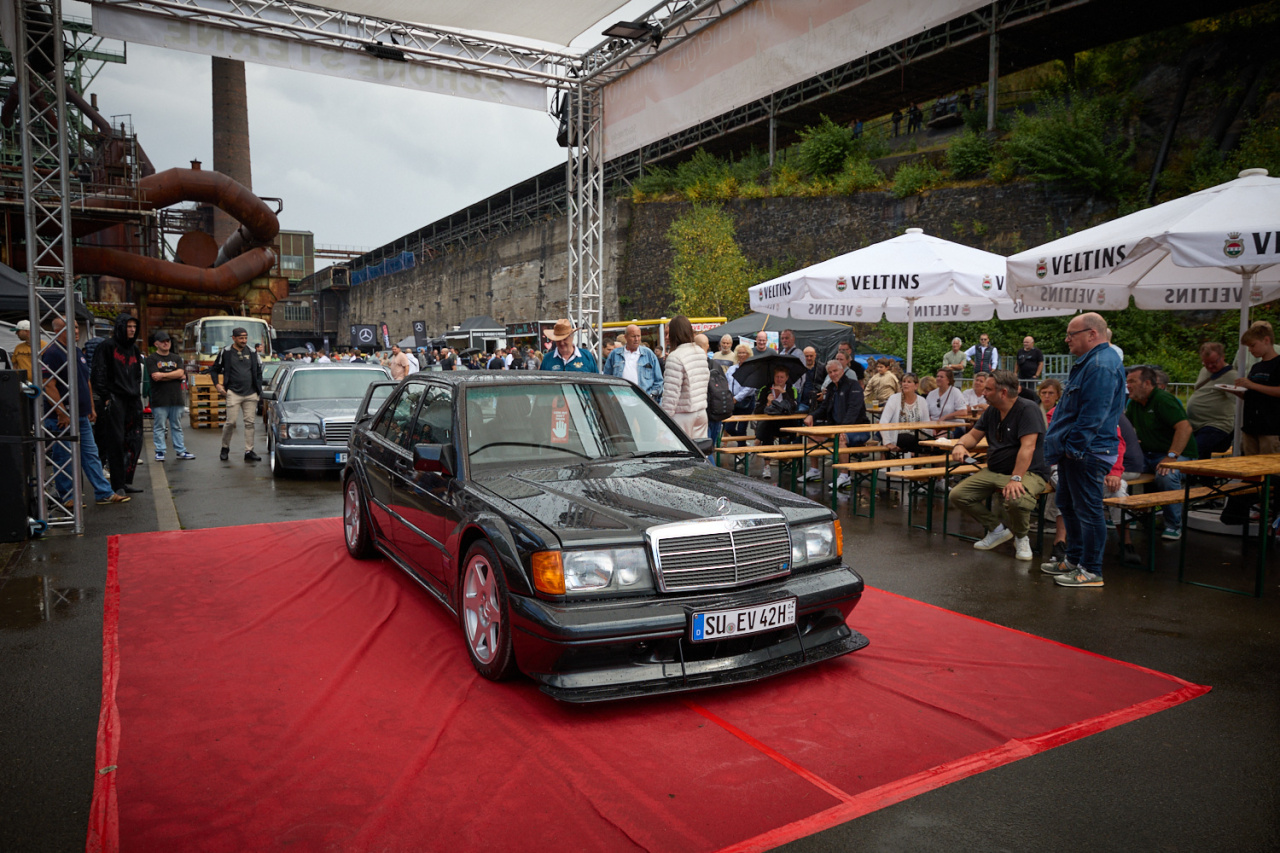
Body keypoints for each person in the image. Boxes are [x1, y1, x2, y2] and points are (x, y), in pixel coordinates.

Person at [1039, 313, 1126, 586]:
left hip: (1087, 452)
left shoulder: (1101, 365)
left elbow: (1093, 415)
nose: (1067, 339)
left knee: (1088, 511)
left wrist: (1073, 449)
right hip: (1078, 451)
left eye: (1071, 334)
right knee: (1068, 505)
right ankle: (1074, 560)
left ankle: (1091, 570)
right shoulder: (1092, 362)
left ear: (1092, 334)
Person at [948, 370, 1052, 562]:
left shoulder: (1027, 409)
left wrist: (1016, 478)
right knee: (958, 495)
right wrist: (960, 445)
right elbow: (973, 436)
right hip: (995, 470)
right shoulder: (992, 411)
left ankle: (1021, 537)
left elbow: (1028, 447)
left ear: (1003, 392)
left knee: (1017, 500)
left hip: (1029, 471)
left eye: (988, 389)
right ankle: (997, 530)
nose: (983, 393)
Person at [40, 317, 125, 506]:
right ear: (57, 331)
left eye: (77, 327)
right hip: (62, 417)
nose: (76, 331)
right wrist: (61, 412)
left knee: (91, 454)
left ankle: (103, 492)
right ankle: (67, 497)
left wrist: (91, 407)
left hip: (80, 414)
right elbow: (49, 385)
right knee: (64, 458)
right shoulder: (53, 353)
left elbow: (86, 381)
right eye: (71, 327)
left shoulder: (77, 351)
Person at [1126, 365, 1197, 540]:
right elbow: (1126, 430)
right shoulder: (1133, 403)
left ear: (1147, 383)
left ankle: (1173, 525)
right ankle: (1128, 517)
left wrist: (1172, 456)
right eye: (1127, 382)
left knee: (1166, 475)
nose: (1128, 385)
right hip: (1149, 454)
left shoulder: (1163, 400)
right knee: (1121, 469)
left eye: (1132, 381)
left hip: (1178, 454)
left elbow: (1185, 428)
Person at [90, 313, 145, 495]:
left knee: (134, 440)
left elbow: (137, 374)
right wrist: (106, 396)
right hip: (115, 399)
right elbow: (98, 373)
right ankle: (117, 484)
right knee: (115, 442)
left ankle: (125, 481)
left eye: (134, 327)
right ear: (121, 327)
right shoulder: (106, 346)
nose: (132, 330)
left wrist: (137, 395)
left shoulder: (134, 349)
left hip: (132, 399)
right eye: (129, 326)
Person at [804, 359, 869, 487]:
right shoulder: (831, 388)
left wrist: (842, 429)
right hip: (836, 429)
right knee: (812, 435)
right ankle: (814, 470)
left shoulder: (853, 385)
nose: (833, 374)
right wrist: (812, 415)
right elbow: (824, 408)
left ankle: (844, 476)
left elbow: (853, 410)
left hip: (858, 429)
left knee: (841, 439)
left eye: (835, 371)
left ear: (842, 370)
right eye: (830, 372)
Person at [212, 326, 264, 463]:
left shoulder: (252, 352)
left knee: (250, 423)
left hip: (251, 393)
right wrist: (217, 385)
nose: (244, 340)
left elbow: (259, 371)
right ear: (234, 338)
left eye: (245, 338)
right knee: (230, 422)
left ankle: (249, 451)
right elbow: (214, 369)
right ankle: (225, 448)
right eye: (241, 338)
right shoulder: (226, 352)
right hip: (233, 393)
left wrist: (258, 389)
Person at [145, 331, 194, 462]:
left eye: (167, 341)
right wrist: (175, 376)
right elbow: (155, 377)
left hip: (176, 399)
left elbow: (181, 373)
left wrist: (163, 375)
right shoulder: (151, 359)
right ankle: (160, 451)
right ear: (156, 344)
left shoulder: (176, 358)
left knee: (177, 426)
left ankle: (181, 450)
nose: (166, 343)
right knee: (160, 426)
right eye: (162, 341)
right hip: (159, 399)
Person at [1184, 342, 1239, 459]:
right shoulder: (1204, 371)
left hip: (1216, 425)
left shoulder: (1231, 376)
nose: (1210, 366)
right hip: (1195, 424)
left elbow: (1238, 401)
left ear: (1222, 357)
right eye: (1206, 363)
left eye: (1214, 363)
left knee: (1196, 449)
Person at [660, 315, 710, 440]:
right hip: (701, 411)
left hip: (682, 414)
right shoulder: (700, 352)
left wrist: (664, 419)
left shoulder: (675, 357)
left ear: (675, 334)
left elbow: (671, 394)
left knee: (677, 449)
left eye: (669, 333)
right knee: (699, 449)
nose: (666, 337)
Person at [752, 365, 800, 479]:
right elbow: (757, 410)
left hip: (786, 425)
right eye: (777, 377)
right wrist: (768, 403)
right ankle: (767, 466)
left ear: (786, 378)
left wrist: (784, 393)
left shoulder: (791, 389)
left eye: (782, 377)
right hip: (770, 425)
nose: (779, 379)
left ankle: (757, 439)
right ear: (773, 377)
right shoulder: (765, 389)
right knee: (767, 429)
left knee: (765, 428)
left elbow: (793, 408)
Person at [603, 324, 663, 401]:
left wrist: (651, 396)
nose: (636, 339)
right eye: (633, 336)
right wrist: (612, 396)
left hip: (643, 402)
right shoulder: (615, 354)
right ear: (626, 337)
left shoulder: (648, 354)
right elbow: (607, 378)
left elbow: (659, 381)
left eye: (638, 336)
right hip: (620, 402)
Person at [879, 372, 931, 456]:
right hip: (898, 437)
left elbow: (927, 423)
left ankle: (920, 456)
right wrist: (888, 442)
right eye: (904, 381)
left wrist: (930, 439)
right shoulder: (894, 399)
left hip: (918, 438)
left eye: (909, 382)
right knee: (908, 439)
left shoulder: (922, 401)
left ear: (916, 386)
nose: (905, 384)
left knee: (936, 446)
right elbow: (883, 422)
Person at [724, 344, 757, 437]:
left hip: (746, 402)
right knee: (729, 428)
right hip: (732, 401)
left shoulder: (752, 369)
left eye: (744, 353)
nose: (741, 355)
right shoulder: (732, 368)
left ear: (748, 354)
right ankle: (741, 441)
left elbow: (749, 387)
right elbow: (726, 381)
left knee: (742, 428)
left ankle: (741, 445)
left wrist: (737, 398)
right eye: (739, 353)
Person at [798, 347, 822, 413]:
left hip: (818, 403)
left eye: (811, 356)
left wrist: (823, 394)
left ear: (815, 355)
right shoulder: (798, 369)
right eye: (806, 356)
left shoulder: (822, 368)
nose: (809, 358)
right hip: (803, 403)